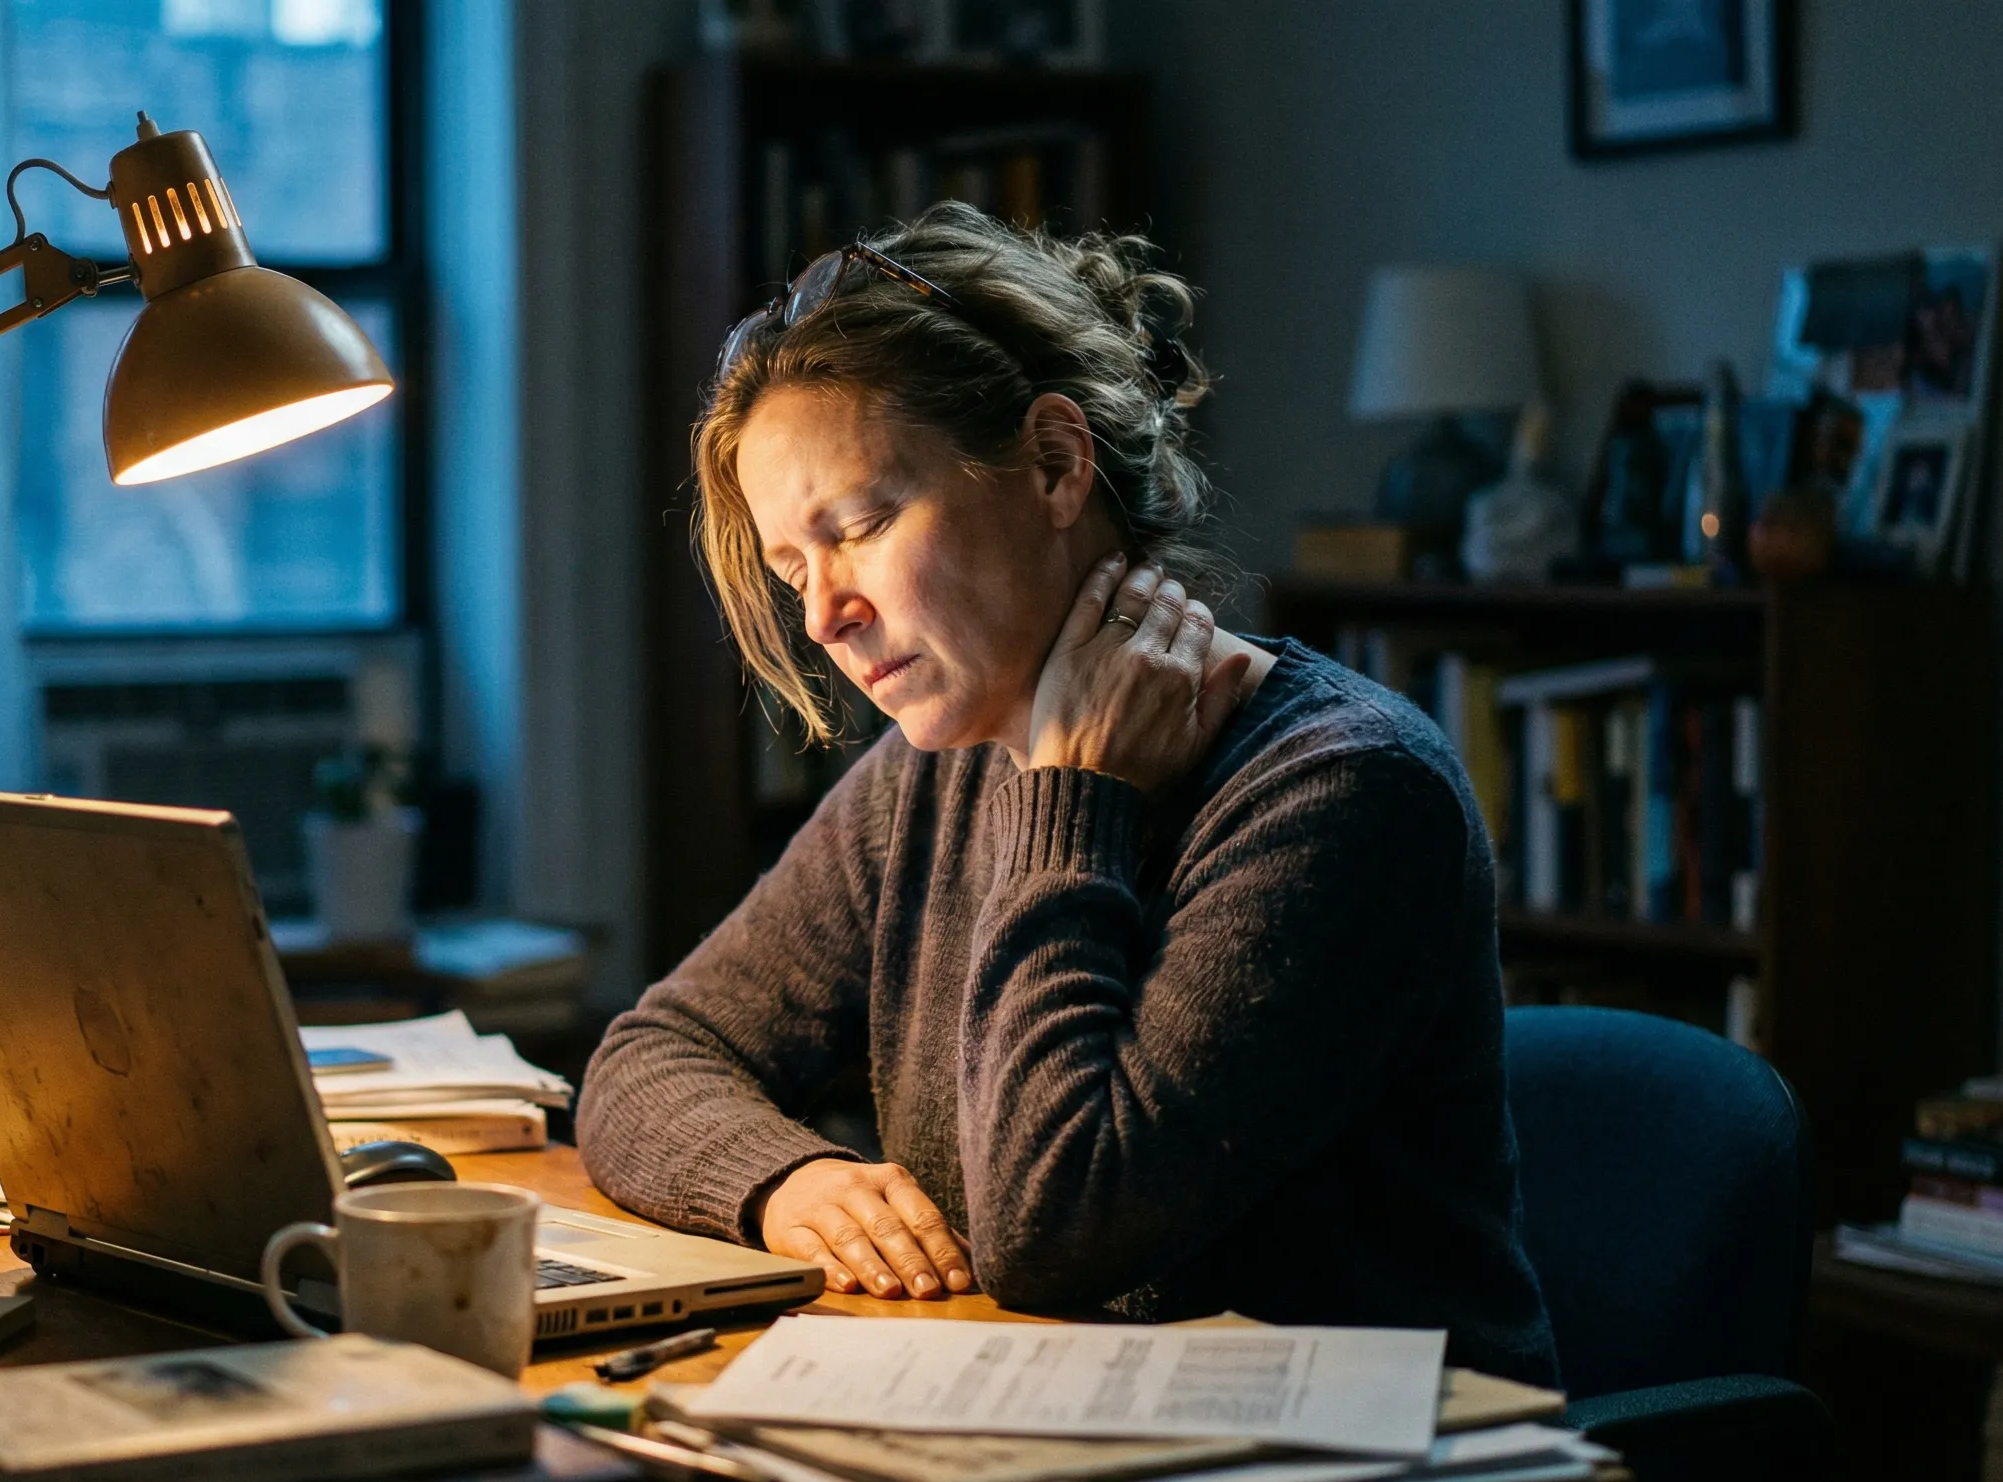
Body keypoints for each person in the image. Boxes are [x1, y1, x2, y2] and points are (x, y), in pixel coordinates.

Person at [576, 203, 1558, 1385]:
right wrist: (786, 1182)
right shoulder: (926, 779)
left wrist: (1071, 797)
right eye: (795, 567)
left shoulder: (1346, 793)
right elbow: (652, 1054)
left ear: (1052, 462)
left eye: (865, 525)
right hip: (1057, 1434)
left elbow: (1058, 1231)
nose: (824, 616)